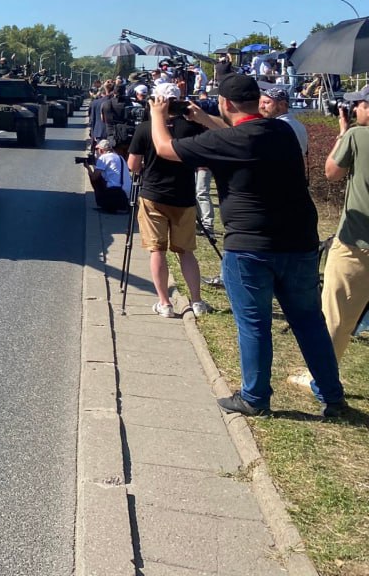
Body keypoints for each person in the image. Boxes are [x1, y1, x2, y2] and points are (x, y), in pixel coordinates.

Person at [148, 73, 348, 419]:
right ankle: (332, 396)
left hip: (250, 248)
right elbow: (236, 135)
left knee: (254, 324)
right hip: (299, 242)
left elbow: (166, 149)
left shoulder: (232, 141)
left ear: (225, 103)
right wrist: (204, 119)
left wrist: (156, 114)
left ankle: (255, 398)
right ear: (258, 100)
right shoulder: (282, 132)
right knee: (309, 321)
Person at [294, 85, 369, 393]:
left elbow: (331, 172)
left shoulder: (357, 136)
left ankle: (321, 378)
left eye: (359, 105)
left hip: (357, 241)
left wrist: (343, 133)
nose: (354, 110)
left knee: (336, 315)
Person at [128, 82, 210, 319]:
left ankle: (164, 303)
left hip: (153, 194)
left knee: (157, 250)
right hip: (183, 195)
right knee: (185, 251)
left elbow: (133, 165)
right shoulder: (192, 127)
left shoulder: (145, 128)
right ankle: (197, 301)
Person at [259, 85, 307, 157]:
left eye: (267, 102)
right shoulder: (298, 124)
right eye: (261, 103)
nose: (261, 106)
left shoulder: (276, 127)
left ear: (282, 104)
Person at [87, 138, 132, 213]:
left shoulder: (104, 157)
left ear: (101, 150)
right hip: (126, 193)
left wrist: (88, 168)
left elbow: (94, 177)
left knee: (98, 180)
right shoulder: (120, 157)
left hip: (115, 192)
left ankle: (104, 203)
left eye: (97, 150)